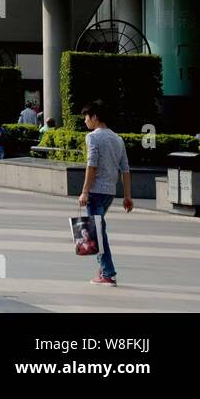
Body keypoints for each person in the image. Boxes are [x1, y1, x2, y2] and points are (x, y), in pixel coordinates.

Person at [79, 100, 132, 285]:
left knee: (98, 234)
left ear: (94, 117)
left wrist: (85, 191)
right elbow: (125, 169)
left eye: (86, 117)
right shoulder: (118, 139)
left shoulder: (93, 137)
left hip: (95, 192)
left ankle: (108, 273)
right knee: (99, 231)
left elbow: (91, 165)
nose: (85, 121)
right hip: (110, 192)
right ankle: (102, 272)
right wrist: (127, 196)